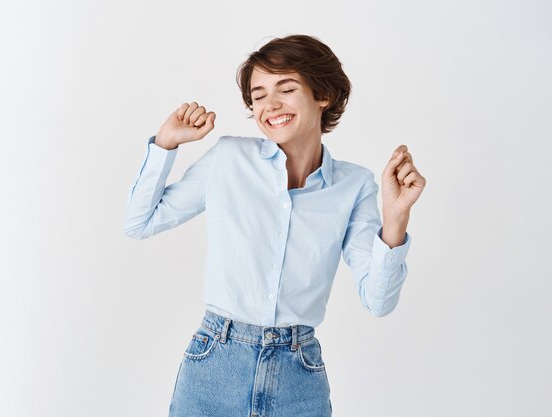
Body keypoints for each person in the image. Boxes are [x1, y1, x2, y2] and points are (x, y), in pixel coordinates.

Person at [123, 34, 426, 417]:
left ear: (323, 95)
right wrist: (165, 145)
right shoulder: (229, 159)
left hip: (298, 374)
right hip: (215, 363)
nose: (270, 105)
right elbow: (140, 222)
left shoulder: (355, 185)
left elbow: (379, 301)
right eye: (259, 94)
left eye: (286, 88)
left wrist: (396, 218)